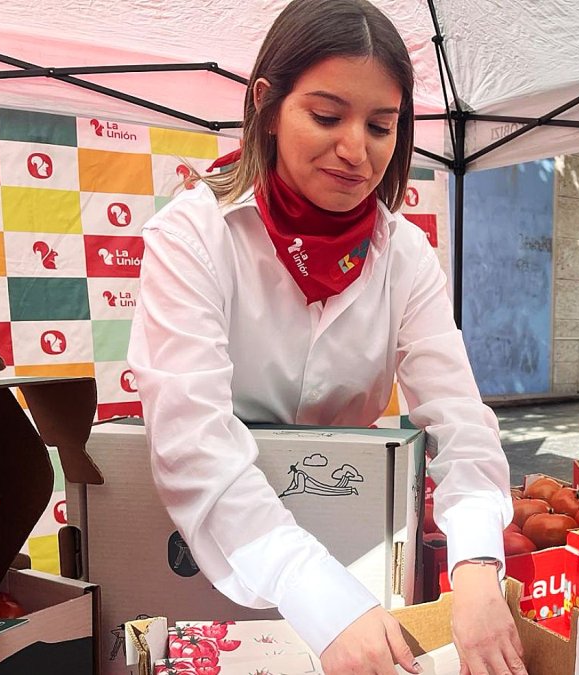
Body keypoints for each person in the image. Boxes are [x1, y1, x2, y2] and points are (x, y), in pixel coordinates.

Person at [126, 2, 524, 674]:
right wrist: (316, 593)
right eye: (327, 116)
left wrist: (478, 566)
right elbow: (193, 440)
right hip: (206, 557)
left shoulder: (404, 256)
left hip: (356, 552)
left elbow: (460, 420)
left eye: (380, 126)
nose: (356, 150)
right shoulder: (195, 236)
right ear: (267, 105)